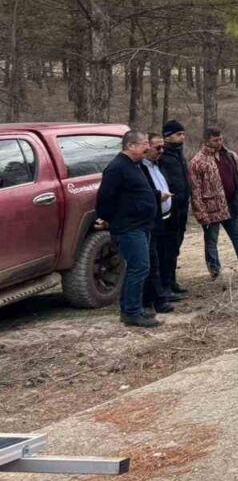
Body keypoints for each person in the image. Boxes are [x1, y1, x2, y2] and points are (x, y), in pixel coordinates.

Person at [95, 131, 162, 327]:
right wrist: (109, 219)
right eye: (144, 144)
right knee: (140, 267)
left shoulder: (134, 165)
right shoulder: (116, 168)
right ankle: (132, 312)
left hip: (141, 225)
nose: (148, 147)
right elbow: (104, 198)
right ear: (131, 146)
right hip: (128, 227)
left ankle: (130, 308)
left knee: (137, 268)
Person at [190, 127, 238, 279]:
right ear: (206, 140)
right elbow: (195, 190)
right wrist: (201, 213)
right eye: (215, 140)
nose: (219, 142)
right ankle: (215, 271)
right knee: (211, 240)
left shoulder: (230, 155)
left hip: (231, 204)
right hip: (211, 208)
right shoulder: (197, 162)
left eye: (220, 139)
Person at [155, 120, 191, 298]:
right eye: (178, 134)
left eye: (183, 134)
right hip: (169, 210)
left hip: (182, 209)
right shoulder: (162, 157)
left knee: (175, 246)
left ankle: (172, 281)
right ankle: (165, 286)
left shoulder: (179, 154)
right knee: (166, 249)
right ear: (167, 137)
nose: (182, 137)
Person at [140, 134, 174, 315]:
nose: (161, 151)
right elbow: (143, 193)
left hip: (165, 217)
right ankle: (154, 300)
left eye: (163, 148)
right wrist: (157, 196)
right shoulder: (141, 168)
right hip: (150, 221)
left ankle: (163, 293)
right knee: (152, 261)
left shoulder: (157, 165)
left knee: (163, 257)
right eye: (157, 148)